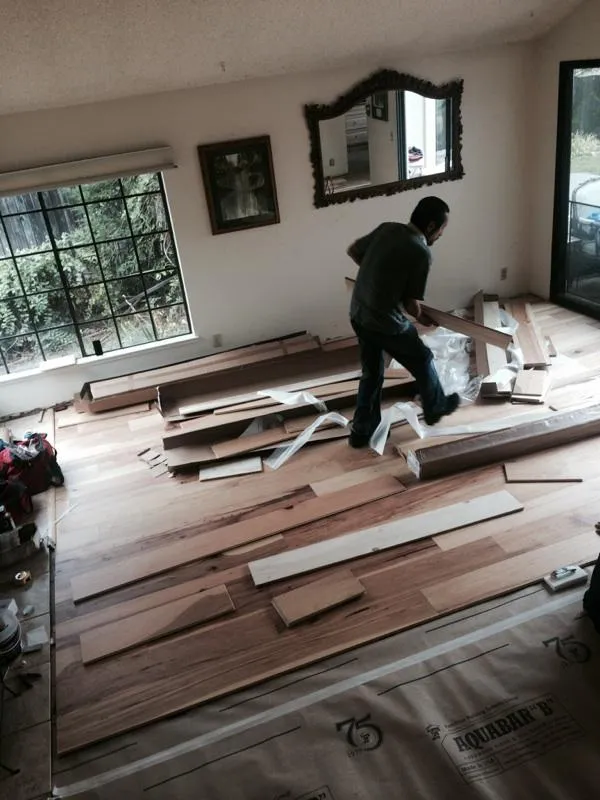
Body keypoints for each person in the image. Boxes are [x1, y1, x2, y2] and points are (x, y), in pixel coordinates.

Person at [347, 196, 459, 448]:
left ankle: (361, 432)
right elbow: (411, 305)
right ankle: (435, 407)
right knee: (422, 358)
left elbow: (354, 250)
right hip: (384, 322)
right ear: (431, 227)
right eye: (442, 229)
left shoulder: (388, 228)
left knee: (372, 373)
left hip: (359, 312)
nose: (441, 235)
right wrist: (424, 318)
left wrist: (377, 278)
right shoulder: (420, 251)